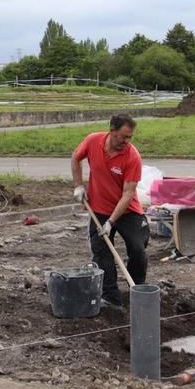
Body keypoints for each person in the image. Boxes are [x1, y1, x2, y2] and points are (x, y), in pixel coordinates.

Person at [71, 114, 149, 309]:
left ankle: (137, 290)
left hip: (127, 211)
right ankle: (111, 298)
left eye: (130, 137)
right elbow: (75, 157)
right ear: (112, 131)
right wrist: (79, 186)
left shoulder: (132, 156)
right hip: (99, 209)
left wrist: (111, 222)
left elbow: (128, 194)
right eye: (124, 136)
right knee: (101, 252)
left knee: (138, 250)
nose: (127, 141)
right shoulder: (92, 141)